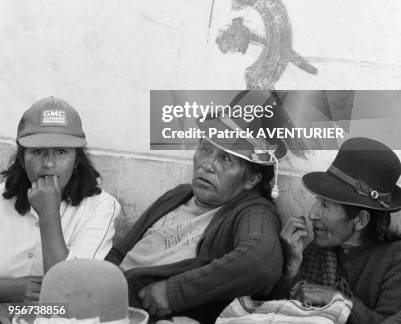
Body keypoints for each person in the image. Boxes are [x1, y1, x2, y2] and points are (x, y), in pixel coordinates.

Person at [106, 112, 285, 324]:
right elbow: (119, 253)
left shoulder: (253, 210)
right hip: (108, 300)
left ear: (252, 179)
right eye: (206, 149)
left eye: (226, 159)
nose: (207, 165)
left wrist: (175, 292)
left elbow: (261, 262)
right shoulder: (178, 194)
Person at [0, 96, 121, 304]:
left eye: (61, 152)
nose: (48, 164)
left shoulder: (100, 207)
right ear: (22, 158)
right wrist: (4, 290)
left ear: (76, 161)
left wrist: (49, 215)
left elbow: (70, 289)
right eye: (38, 152)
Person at [279, 137, 401, 324]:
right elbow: (285, 312)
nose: (312, 215)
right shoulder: (318, 250)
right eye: (317, 201)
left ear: (360, 220)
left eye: (325, 206)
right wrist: (293, 264)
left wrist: (342, 304)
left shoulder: (395, 262)